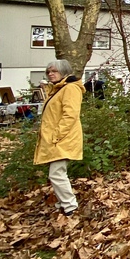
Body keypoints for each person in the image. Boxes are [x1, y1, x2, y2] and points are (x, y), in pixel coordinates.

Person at [34, 60, 85, 217]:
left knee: (56, 173)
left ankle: (70, 207)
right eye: (48, 71)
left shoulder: (70, 88)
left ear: (64, 72)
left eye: (54, 71)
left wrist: (56, 135)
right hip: (58, 139)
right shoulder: (58, 89)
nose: (50, 74)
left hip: (63, 139)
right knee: (56, 173)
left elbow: (70, 115)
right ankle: (64, 204)